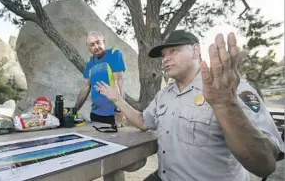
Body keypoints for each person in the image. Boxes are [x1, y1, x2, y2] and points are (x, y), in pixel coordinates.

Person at [94, 30, 284, 180]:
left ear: (195, 50)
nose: (165, 58)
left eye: (173, 51)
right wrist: (117, 98)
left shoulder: (229, 89)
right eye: (163, 55)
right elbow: (144, 121)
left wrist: (225, 106)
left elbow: (265, 164)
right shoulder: (164, 95)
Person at [74, 31, 126, 131]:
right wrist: (74, 110)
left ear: (104, 42)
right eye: (92, 44)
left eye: (98, 42)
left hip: (113, 115)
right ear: (88, 48)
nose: (96, 46)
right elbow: (85, 87)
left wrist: (119, 110)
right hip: (95, 114)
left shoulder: (114, 54)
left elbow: (119, 83)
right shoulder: (90, 62)